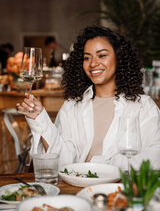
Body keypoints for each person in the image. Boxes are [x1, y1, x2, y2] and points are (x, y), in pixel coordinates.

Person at [16, 26, 160, 171]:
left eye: (102, 55)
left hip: (121, 191)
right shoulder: (72, 106)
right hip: (76, 190)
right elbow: (62, 161)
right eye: (87, 58)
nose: (93, 63)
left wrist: (99, 165)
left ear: (119, 58)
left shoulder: (143, 106)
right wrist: (40, 118)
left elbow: (155, 157)